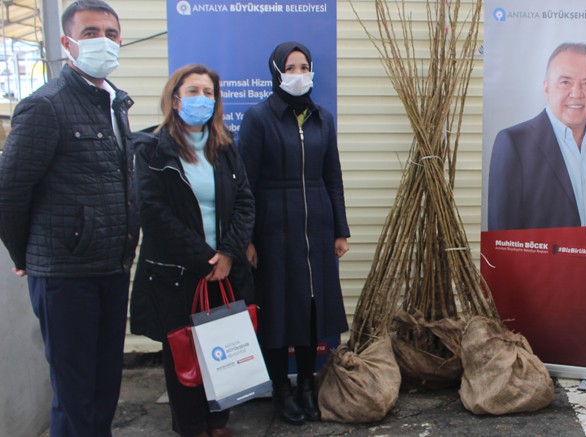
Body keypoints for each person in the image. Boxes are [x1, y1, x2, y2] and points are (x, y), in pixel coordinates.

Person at [0, 1, 138, 435]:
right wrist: (25, 254)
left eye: (111, 34)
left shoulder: (114, 103)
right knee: (75, 395)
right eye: (91, 32)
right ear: (67, 43)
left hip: (111, 268)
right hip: (65, 274)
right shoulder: (46, 106)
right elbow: (10, 190)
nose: (103, 41)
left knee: (103, 388)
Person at [129, 64, 255, 437]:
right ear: (175, 98)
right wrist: (205, 258)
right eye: (193, 91)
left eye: (208, 92)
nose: (202, 98)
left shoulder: (227, 147)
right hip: (177, 272)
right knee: (183, 353)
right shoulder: (151, 148)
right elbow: (152, 211)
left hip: (226, 268)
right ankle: (191, 427)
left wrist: (229, 253)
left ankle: (218, 422)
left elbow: (246, 201)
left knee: (224, 346)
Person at [238, 41, 350, 425]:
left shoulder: (323, 118)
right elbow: (246, 184)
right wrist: (247, 239)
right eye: (291, 67)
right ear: (276, 71)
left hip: (316, 227)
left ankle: (306, 385)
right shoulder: (259, 118)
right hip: (273, 228)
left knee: (310, 308)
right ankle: (280, 390)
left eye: (304, 67)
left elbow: (332, 177)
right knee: (277, 311)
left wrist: (340, 230)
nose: (299, 74)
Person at [487, 42, 586, 231]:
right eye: (565, 82)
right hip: (540, 260)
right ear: (547, 89)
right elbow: (501, 236)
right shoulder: (514, 143)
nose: (576, 93)